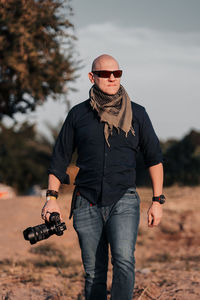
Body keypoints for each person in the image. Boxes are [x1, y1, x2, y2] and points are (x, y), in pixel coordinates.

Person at [41, 54, 165, 300]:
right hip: (86, 201)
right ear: (91, 77)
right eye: (105, 74)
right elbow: (59, 157)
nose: (112, 78)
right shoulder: (78, 115)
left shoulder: (137, 114)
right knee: (93, 272)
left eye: (116, 73)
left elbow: (154, 158)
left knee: (124, 260)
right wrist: (51, 197)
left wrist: (157, 200)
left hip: (124, 199)